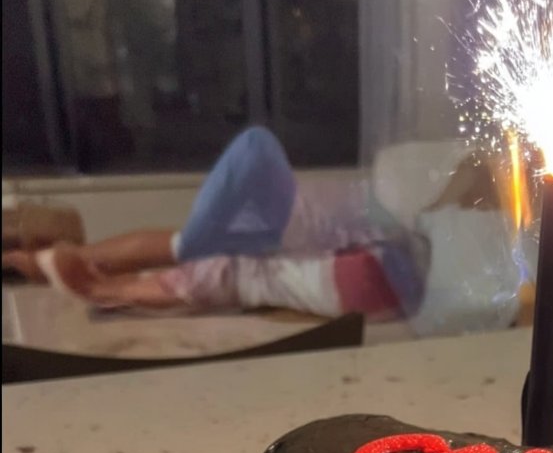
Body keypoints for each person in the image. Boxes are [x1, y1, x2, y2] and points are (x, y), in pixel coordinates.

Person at [2, 126, 426, 319]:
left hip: (371, 273)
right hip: (378, 271)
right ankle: (99, 281)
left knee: (231, 264)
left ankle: (102, 283)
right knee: (230, 263)